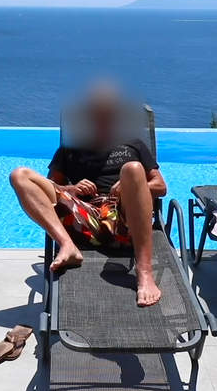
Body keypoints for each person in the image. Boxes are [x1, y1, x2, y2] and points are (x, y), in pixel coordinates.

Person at [9, 89, 167, 307]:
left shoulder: (134, 144)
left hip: (124, 218)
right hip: (83, 216)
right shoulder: (69, 149)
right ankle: (67, 246)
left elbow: (161, 187)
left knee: (132, 169)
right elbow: (49, 188)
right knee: (20, 175)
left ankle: (144, 271)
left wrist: (130, 186)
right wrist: (72, 188)